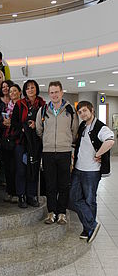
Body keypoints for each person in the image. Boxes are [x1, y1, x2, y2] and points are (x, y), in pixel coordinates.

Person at [70, 101, 114, 243]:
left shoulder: (100, 127)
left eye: (85, 111)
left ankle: (87, 228)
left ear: (92, 110)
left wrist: (98, 154)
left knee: (90, 200)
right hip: (78, 168)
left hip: (91, 171)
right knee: (74, 198)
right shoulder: (83, 125)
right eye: (80, 112)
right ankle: (92, 225)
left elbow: (110, 141)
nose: (83, 114)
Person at [36, 81, 78, 224]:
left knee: (64, 184)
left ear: (62, 92)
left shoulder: (70, 110)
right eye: (51, 92)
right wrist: (48, 141)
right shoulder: (43, 110)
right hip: (47, 152)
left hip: (64, 152)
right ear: (49, 94)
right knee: (50, 185)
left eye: (56, 92)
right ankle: (51, 212)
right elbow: (39, 130)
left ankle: (62, 213)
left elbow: (74, 131)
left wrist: (65, 142)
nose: (54, 95)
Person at [11, 80, 45, 208]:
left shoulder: (43, 104)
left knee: (33, 169)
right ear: (24, 91)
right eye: (28, 88)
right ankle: (21, 196)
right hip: (21, 141)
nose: (30, 90)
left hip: (36, 142)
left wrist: (36, 125)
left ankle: (31, 195)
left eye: (33, 87)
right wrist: (24, 127)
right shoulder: (19, 104)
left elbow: (45, 121)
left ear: (36, 89)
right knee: (21, 170)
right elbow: (14, 122)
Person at [1, 83, 22, 202]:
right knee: (8, 167)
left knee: (17, 168)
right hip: (7, 139)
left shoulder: (23, 105)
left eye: (15, 91)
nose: (13, 93)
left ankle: (17, 193)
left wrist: (12, 123)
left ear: (19, 92)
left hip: (18, 140)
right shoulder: (7, 107)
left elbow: (23, 123)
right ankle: (9, 191)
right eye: (11, 91)